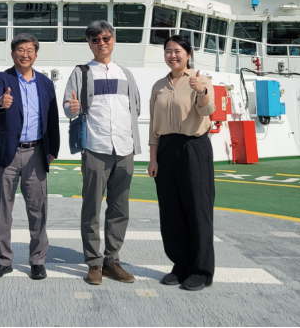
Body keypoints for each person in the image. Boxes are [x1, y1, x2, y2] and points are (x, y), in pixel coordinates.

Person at [63, 20, 142, 286]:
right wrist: (72, 108)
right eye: (95, 40)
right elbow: (68, 105)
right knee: (92, 208)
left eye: (106, 38)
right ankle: (94, 263)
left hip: (124, 148)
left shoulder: (125, 73)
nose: (101, 43)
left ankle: (112, 260)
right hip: (95, 147)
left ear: (113, 40)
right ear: (89, 43)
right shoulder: (81, 72)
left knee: (120, 208)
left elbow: (136, 107)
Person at [0, 33, 61, 281]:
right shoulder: (2, 78)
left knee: (38, 209)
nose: (24, 54)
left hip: (36, 151)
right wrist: (1, 101)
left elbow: (52, 117)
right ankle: (3, 260)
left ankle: (37, 261)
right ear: (13, 53)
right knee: (3, 208)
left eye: (29, 50)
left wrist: (53, 149)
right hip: (7, 151)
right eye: (20, 50)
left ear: (35, 55)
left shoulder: (45, 83)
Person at [146, 35, 216, 292]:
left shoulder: (201, 80)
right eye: (168, 51)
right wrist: (153, 159)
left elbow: (208, 111)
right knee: (171, 210)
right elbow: (154, 125)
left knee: (197, 209)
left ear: (188, 54)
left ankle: (201, 270)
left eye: (177, 51)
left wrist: (201, 92)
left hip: (193, 147)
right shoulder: (158, 86)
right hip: (166, 148)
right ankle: (181, 265)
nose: (172, 55)